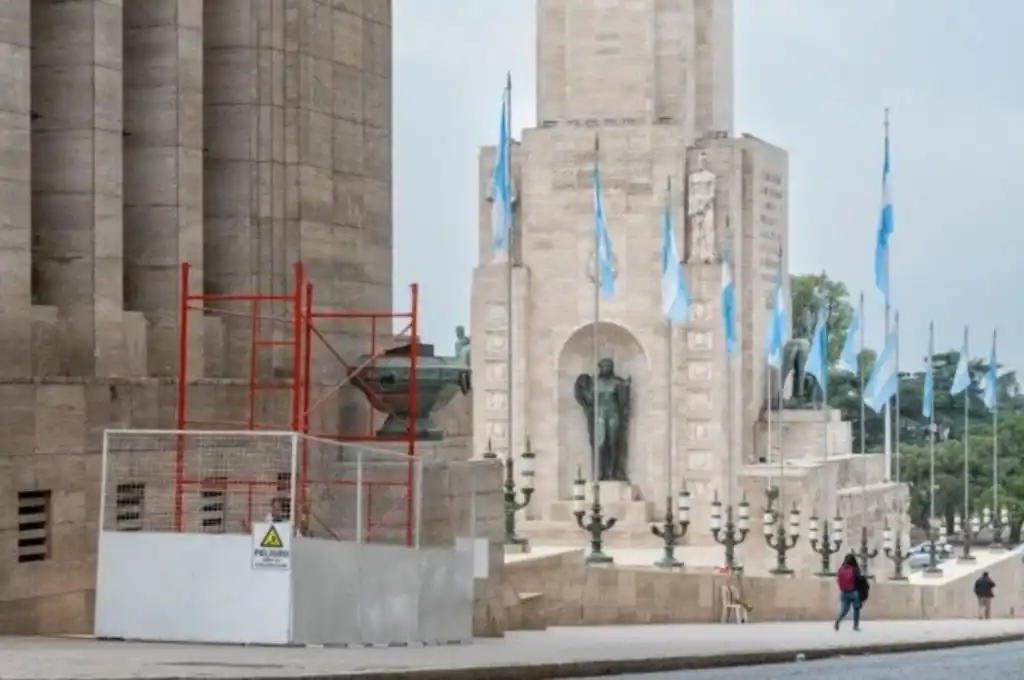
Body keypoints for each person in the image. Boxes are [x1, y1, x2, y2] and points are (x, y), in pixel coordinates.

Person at [834, 553, 864, 631]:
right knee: (856, 609)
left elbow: (838, 580)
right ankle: (855, 626)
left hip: (844, 592)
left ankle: (838, 620)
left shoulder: (841, 569)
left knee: (844, 610)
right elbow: (859, 580)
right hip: (854, 592)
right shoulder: (855, 569)